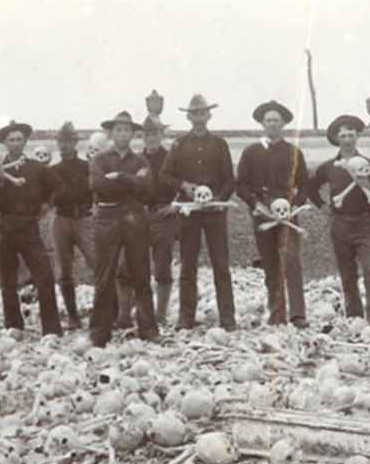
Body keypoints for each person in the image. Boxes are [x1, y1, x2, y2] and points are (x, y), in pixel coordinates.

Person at [160, 94, 238, 331]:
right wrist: (185, 186)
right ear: (188, 117)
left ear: (209, 115)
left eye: (202, 113)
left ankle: (228, 318)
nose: (199, 118)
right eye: (194, 114)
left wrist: (219, 199)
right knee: (188, 264)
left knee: (221, 265)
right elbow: (166, 175)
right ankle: (186, 317)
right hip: (189, 213)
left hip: (214, 212)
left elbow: (229, 179)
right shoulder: (179, 145)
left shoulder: (220, 144)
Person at [307, 114, 370, 326]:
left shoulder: (369, 165)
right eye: (343, 135)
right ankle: (354, 316)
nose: (348, 139)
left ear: (357, 136)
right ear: (336, 138)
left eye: (351, 134)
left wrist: (366, 183)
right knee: (347, 273)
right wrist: (323, 207)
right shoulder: (329, 167)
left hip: (363, 224)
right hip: (340, 224)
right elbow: (310, 187)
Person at [237, 100, 311, 328]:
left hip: (287, 216)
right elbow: (241, 185)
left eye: (276, 120)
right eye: (268, 120)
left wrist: (295, 205)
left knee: (291, 260)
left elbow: (305, 185)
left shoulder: (293, 152)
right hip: (262, 216)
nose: (272, 124)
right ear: (262, 124)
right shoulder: (251, 152)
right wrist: (255, 204)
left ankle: (298, 315)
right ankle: (276, 313)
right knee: (270, 264)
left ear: (283, 124)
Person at [88, 110, 158, 345]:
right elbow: (97, 185)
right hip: (107, 216)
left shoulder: (141, 160)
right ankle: (100, 332)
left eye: (127, 130)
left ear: (133, 134)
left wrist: (118, 176)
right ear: (111, 133)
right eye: (118, 129)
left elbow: (147, 189)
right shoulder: (99, 159)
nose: (122, 134)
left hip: (134, 216)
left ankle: (148, 330)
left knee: (141, 272)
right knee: (104, 274)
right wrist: (131, 181)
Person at [0, 120, 64, 336]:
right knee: (8, 279)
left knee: (44, 275)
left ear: (25, 142)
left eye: (20, 139)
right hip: (5, 227)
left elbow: (59, 187)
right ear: (5, 142)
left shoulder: (36, 168)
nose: (16, 143)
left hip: (29, 227)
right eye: (11, 140)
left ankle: (51, 328)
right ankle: (13, 326)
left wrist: (46, 206)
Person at [114, 116, 179, 328]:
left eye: (155, 133)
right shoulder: (136, 160)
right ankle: (124, 315)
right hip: (138, 217)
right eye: (147, 134)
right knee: (127, 268)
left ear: (162, 134)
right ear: (141, 136)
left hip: (163, 217)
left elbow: (185, 184)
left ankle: (160, 316)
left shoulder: (172, 158)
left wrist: (176, 205)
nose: (151, 138)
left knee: (162, 268)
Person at [48, 121, 96, 329]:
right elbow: (44, 197)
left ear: (76, 142)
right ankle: (72, 315)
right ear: (57, 143)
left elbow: (98, 189)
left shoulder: (88, 167)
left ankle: (107, 311)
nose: (65, 145)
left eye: (69, 141)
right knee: (64, 270)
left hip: (85, 219)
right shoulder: (51, 171)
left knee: (98, 263)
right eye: (61, 141)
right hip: (61, 219)